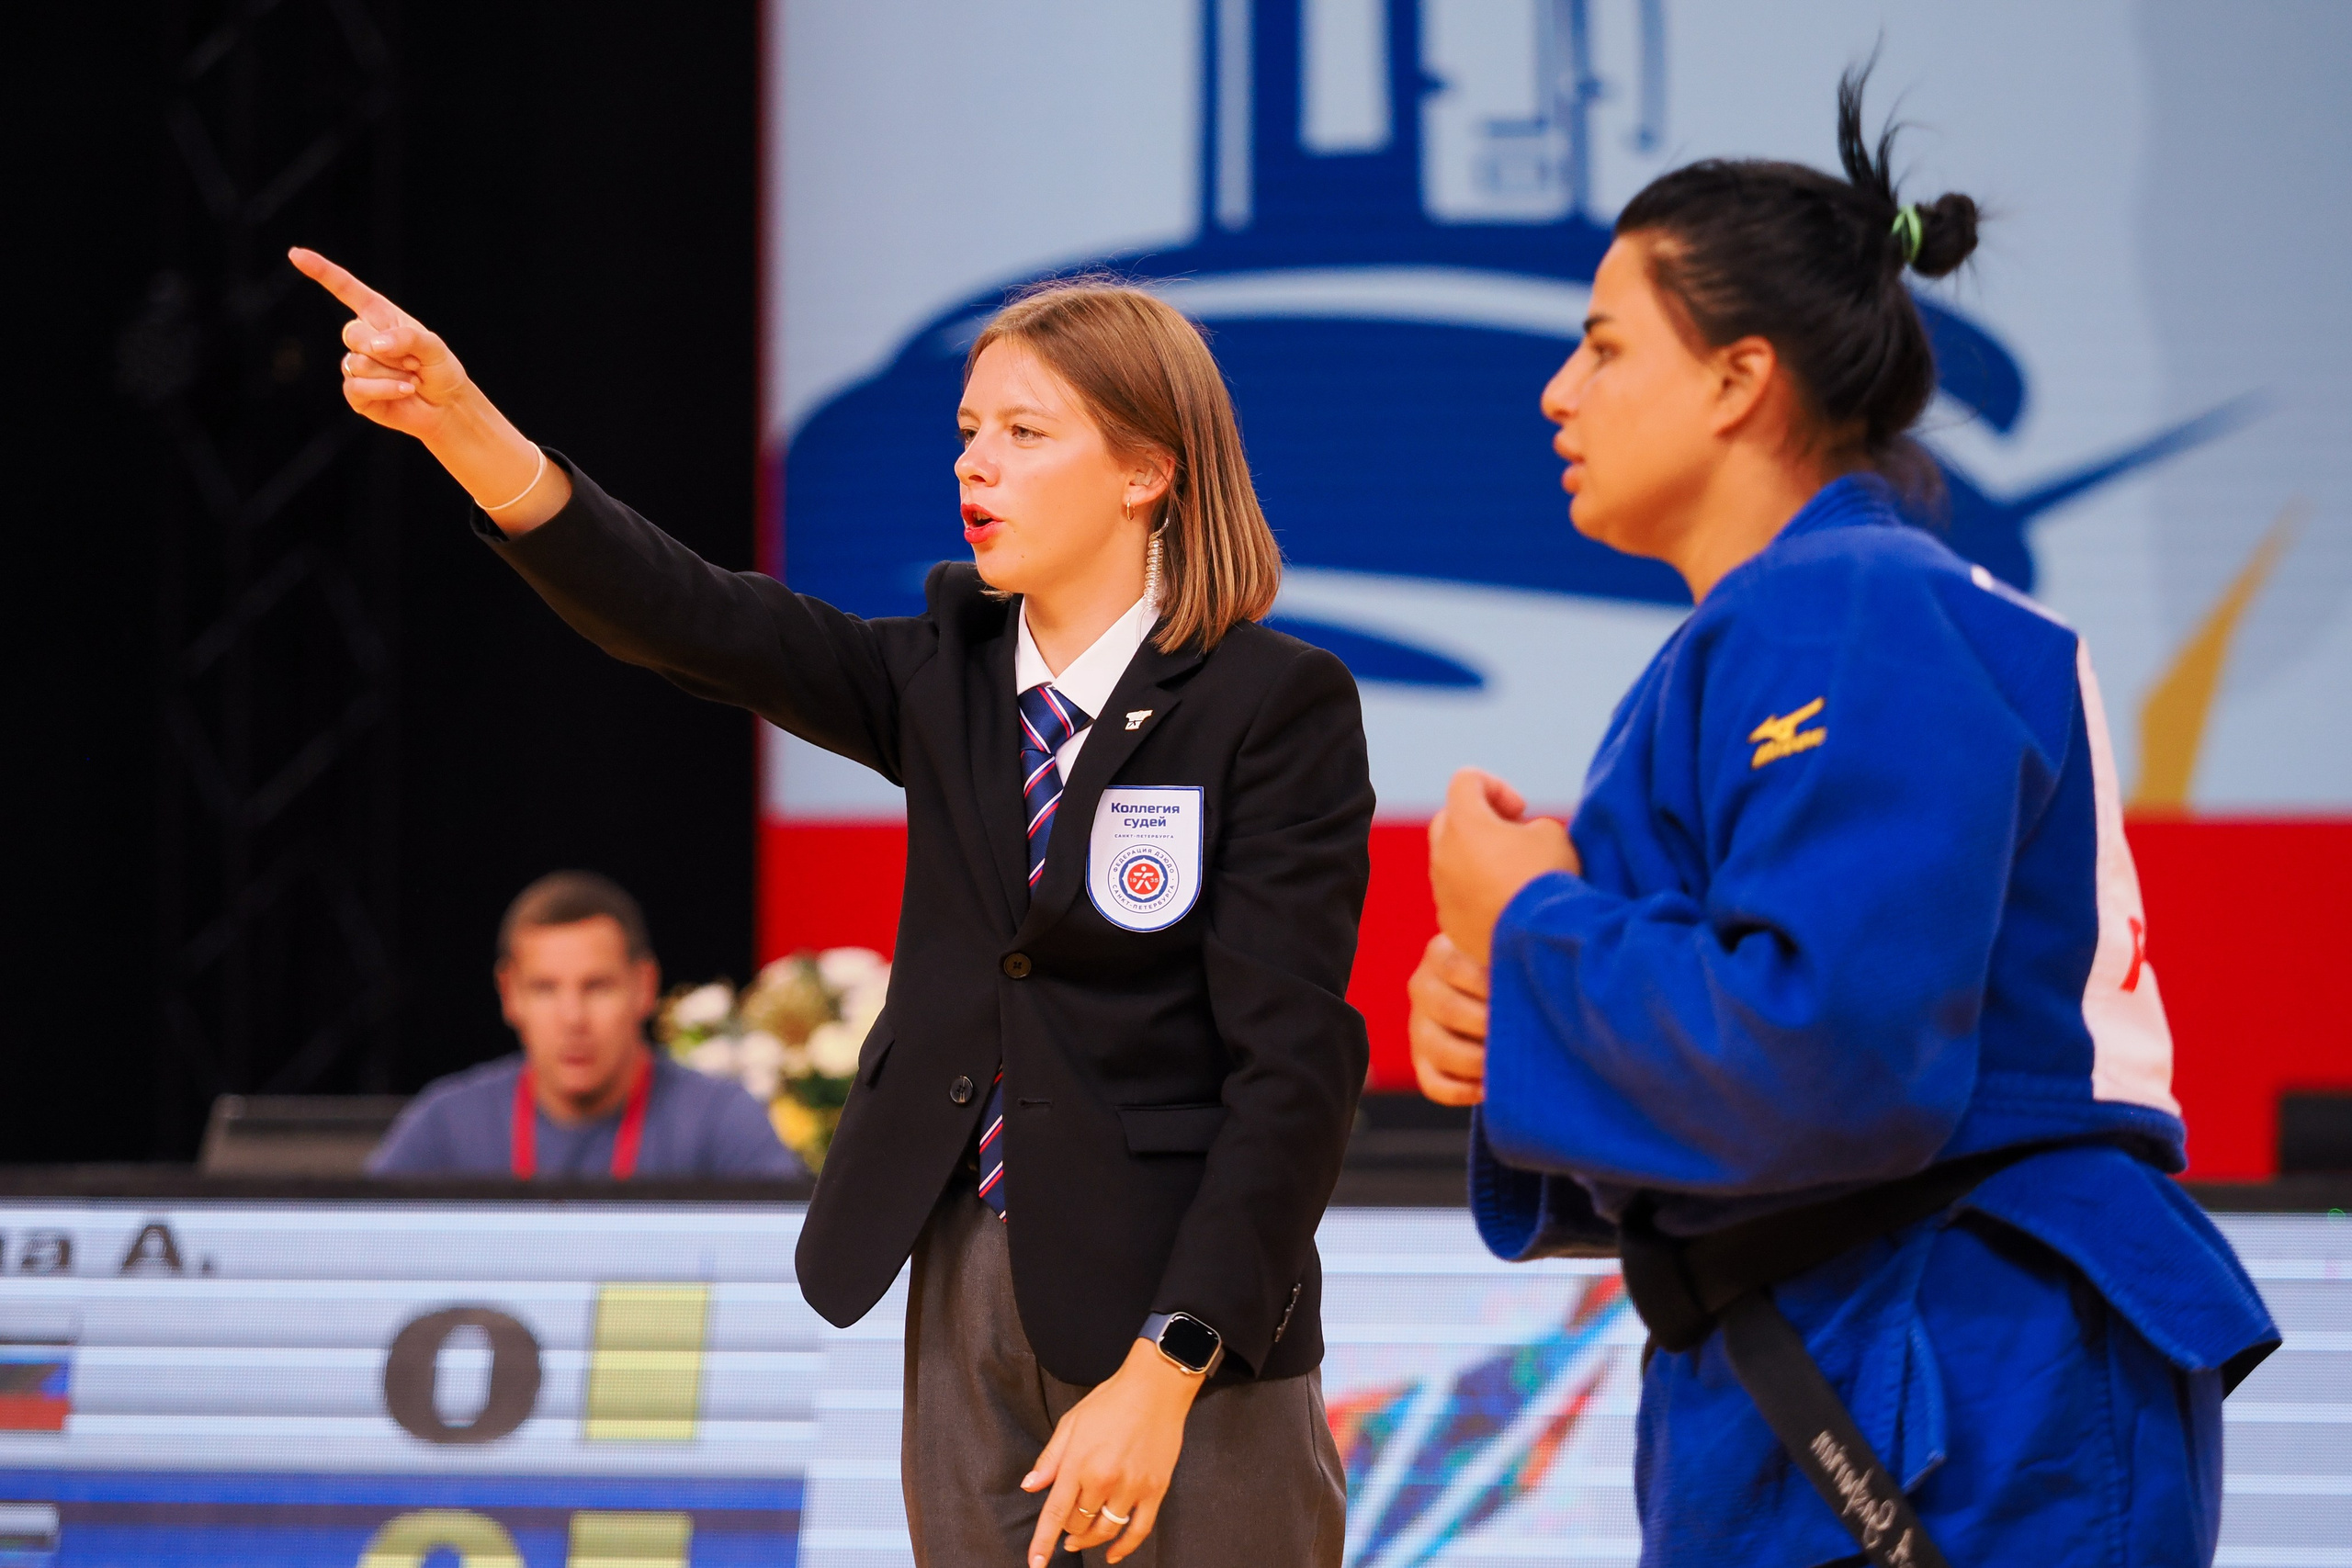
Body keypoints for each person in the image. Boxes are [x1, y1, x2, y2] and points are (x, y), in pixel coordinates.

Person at [296, 251, 1370, 1567]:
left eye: (1024, 434)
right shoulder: (943, 671)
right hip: (966, 1267)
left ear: (1146, 470)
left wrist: (1172, 1359)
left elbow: (1292, 1074)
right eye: (969, 432)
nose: (975, 465)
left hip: (1188, 1304)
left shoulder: (1273, 703)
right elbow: (685, 614)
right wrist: (463, 425)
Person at [1407, 68, 2278, 1568]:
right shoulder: (1802, 621)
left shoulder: (1865, 608)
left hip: (1959, 1366)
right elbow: (1752, 1040)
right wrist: (1501, 1017)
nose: (1559, 390)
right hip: (1849, 1352)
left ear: (1740, 379)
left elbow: (1832, 1058)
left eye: (1606, 346)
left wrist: (1534, 926)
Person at [370, 870, 802, 1180]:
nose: (573, 1019)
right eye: (545, 989)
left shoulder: (720, 1118)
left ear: (644, 987)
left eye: (597, 987)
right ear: (509, 994)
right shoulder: (446, 1123)